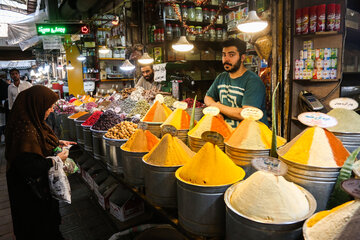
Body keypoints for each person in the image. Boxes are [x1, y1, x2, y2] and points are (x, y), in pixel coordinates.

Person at [5, 85, 76, 240]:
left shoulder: (31, 122)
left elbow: (41, 140)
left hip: (40, 193)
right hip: (30, 199)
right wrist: (57, 160)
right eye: (48, 107)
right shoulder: (25, 133)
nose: (51, 110)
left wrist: (56, 143)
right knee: (41, 231)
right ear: (37, 105)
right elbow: (30, 167)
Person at [204, 38, 268, 128]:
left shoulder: (253, 81)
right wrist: (216, 108)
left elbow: (246, 114)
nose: (226, 59)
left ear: (242, 57)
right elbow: (207, 98)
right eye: (224, 55)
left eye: (231, 55)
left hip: (250, 136)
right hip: (227, 134)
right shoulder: (221, 77)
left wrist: (217, 106)